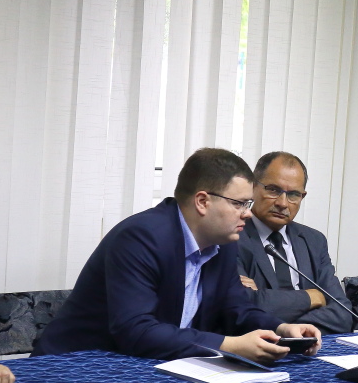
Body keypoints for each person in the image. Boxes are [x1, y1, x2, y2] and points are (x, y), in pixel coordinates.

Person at [33, 148, 321, 362]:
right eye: (239, 203)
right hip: (76, 366)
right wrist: (229, 345)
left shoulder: (223, 242)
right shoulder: (141, 237)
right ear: (202, 201)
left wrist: (282, 328)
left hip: (154, 365)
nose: (247, 213)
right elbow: (136, 330)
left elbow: (237, 309)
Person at [236, 152, 352, 334]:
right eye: (273, 190)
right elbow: (242, 307)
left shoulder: (314, 241)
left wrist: (290, 328)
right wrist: (312, 297)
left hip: (311, 344)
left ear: (302, 197)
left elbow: (343, 314)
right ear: (253, 186)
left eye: (293, 194)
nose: (283, 203)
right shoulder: (233, 236)